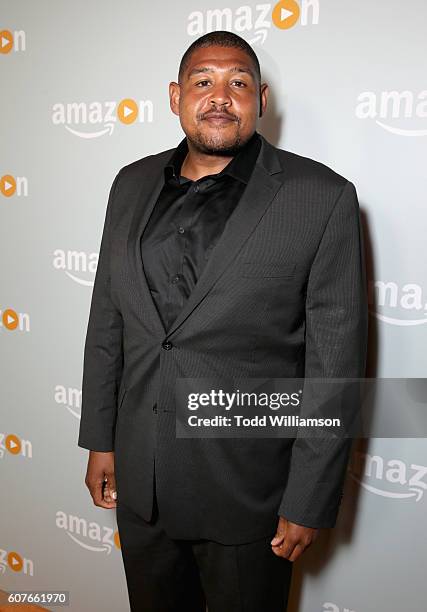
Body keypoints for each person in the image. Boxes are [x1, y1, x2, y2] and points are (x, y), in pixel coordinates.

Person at [78, 30, 368, 612]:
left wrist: (308, 497)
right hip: (143, 483)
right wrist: (101, 440)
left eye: (237, 83)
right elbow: (109, 319)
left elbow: (333, 367)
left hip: (249, 494)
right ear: (174, 96)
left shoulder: (322, 196)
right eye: (202, 82)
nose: (219, 96)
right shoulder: (129, 184)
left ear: (260, 98)